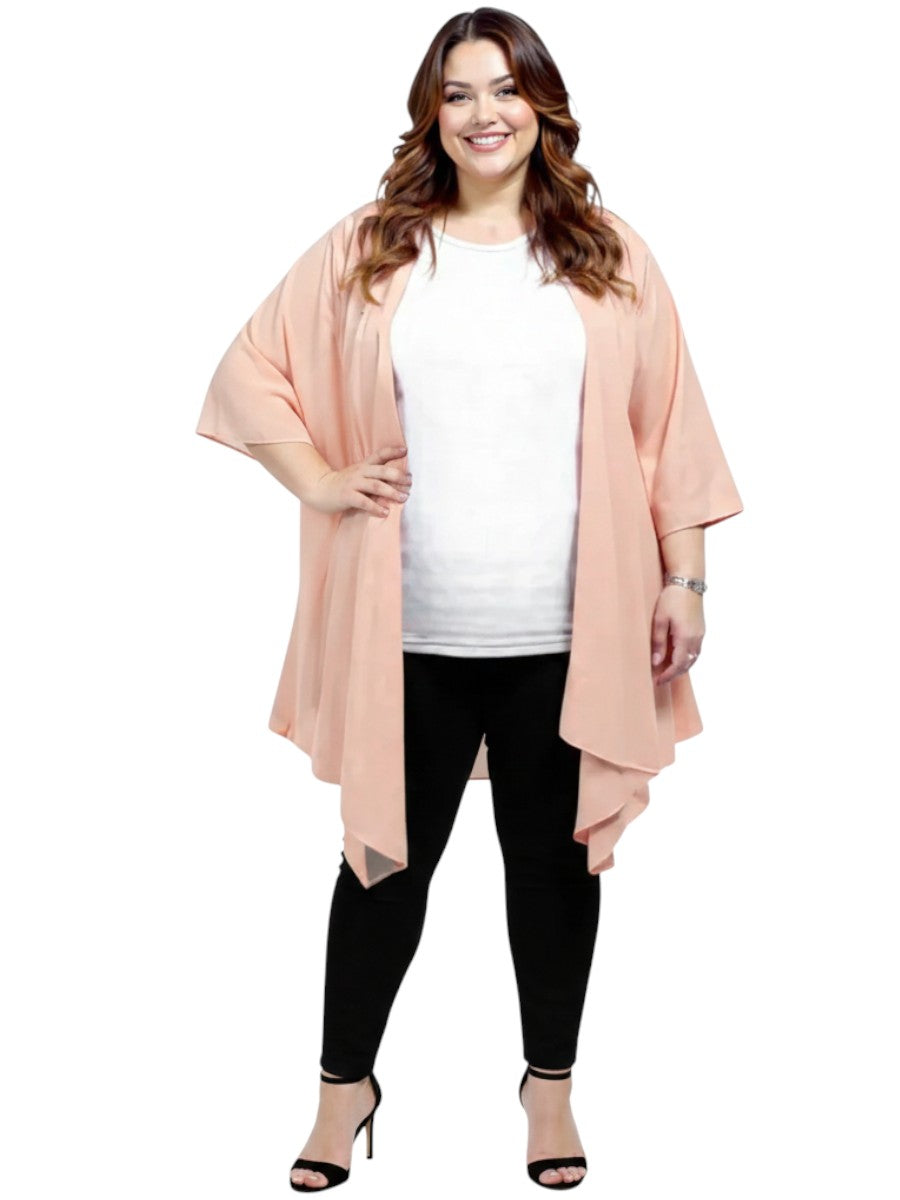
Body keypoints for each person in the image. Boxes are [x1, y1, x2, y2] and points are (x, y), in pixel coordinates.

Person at [195, 8, 744, 1193]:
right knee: (382, 868)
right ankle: (343, 1092)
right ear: (430, 113)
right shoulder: (372, 247)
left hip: (571, 631)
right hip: (406, 630)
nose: (484, 114)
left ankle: (550, 1090)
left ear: (542, 106)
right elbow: (249, 371)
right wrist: (321, 480)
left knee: (554, 871)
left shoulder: (607, 254)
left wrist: (687, 579)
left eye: (506, 89)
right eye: (458, 93)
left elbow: (669, 435)